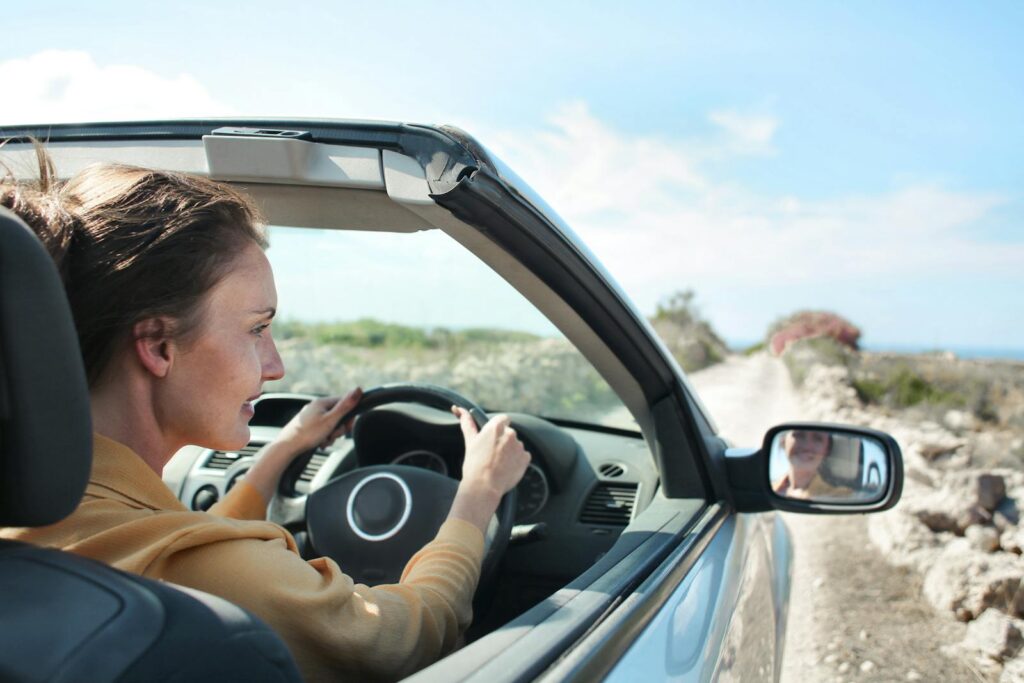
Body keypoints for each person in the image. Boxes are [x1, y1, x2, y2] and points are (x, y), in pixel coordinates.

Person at [0, 149, 531, 682]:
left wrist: (282, 450)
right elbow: (399, 642)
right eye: (257, 329)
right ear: (159, 345)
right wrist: (476, 497)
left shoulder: (52, 521)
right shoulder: (218, 572)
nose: (275, 367)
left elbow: (187, 542)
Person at [771, 429, 854, 500]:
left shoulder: (841, 496)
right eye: (799, 435)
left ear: (827, 450)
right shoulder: (767, 489)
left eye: (818, 438)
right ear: (783, 441)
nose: (807, 446)